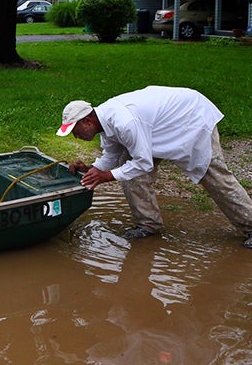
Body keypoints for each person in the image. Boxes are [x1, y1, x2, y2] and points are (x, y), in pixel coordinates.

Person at [57, 85, 252, 248]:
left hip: (189, 118)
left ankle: (250, 226)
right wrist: (93, 168)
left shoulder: (124, 122)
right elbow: (111, 155)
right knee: (128, 169)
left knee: (214, 176)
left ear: (87, 121)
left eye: (75, 131)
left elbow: (143, 162)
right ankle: (148, 224)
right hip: (156, 129)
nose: (76, 136)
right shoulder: (105, 124)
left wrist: (107, 176)